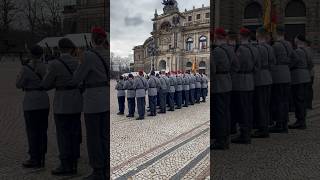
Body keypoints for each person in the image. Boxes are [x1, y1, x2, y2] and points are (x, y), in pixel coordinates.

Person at [41, 38, 82, 175]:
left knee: (63, 135)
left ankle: (65, 164)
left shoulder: (54, 64)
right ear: (71, 49)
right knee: (75, 133)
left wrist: (56, 83)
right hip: (76, 101)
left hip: (62, 102)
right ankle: (75, 163)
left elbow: (46, 84)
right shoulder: (78, 62)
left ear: (59, 49)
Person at [72, 27, 108, 180]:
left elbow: (76, 78)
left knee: (93, 137)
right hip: (107, 99)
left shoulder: (87, 55)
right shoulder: (108, 54)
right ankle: (107, 167)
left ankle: (98, 171)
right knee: (105, 136)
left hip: (93, 101)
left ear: (92, 39)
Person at [16, 45, 49, 168]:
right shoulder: (46, 66)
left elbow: (18, 84)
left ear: (31, 54)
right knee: (42, 130)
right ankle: (42, 156)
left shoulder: (26, 68)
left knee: (32, 131)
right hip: (44, 99)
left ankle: (34, 157)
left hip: (30, 100)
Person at [212, 28, 239, 150]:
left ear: (216, 37)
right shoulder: (230, 49)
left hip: (219, 84)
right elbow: (236, 66)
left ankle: (221, 140)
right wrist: (228, 75)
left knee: (220, 113)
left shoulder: (217, 51)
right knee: (226, 111)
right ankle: (225, 136)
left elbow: (212, 70)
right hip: (228, 82)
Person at [231, 27, 259, 144]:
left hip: (241, 81)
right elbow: (258, 66)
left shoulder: (241, 49)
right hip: (251, 81)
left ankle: (244, 134)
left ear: (241, 36)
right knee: (249, 108)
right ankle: (248, 131)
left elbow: (236, 65)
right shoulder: (255, 49)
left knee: (242, 109)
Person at [251, 28, 276, 138]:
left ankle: (263, 129)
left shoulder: (258, 48)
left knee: (260, 104)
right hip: (268, 77)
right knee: (266, 104)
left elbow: (255, 64)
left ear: (258, 36)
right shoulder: (270, 48)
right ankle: (265, 126)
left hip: (259, 78)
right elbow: (273, 63)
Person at [269, 26, 294, 133]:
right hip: (287, 74)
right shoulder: (289, 44)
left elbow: (272, 60)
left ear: (276, 33)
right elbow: (294, 58)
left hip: (278, 75)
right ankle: (284, 124)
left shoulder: (276, 46)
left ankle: (279, 124)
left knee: (278, 101)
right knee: (285, 101)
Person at [288, 35, 311, 129]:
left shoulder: (297, 51)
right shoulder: (307, 51)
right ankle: (302, 120)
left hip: (298, 77)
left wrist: (289, 67)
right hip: (306, 76)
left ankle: (300, 121)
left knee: (298, 100)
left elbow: (294, 61)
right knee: (302, 100)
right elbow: (311, 63)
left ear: (297, 41)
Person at [305, 40, 314, 109]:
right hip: (311, 73)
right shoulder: (311, 50)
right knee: (310, 89)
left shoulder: (306, 50)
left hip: (308, 73)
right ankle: (309, 104)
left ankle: (308, 104)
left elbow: (310, 62)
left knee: (307, 89)